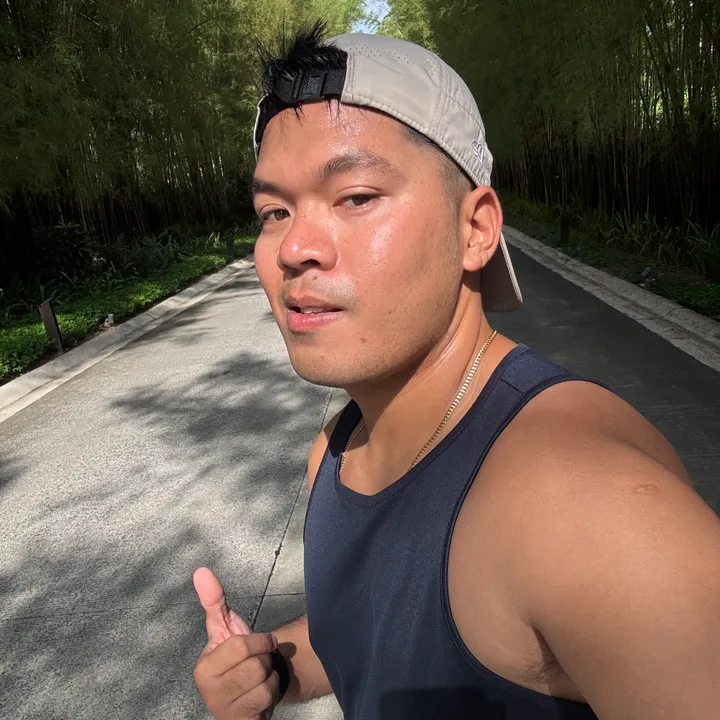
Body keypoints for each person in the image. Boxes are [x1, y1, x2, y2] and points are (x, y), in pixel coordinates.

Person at [192, 24, 720, 720]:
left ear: (475, 230)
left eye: (355, 197)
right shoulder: (338, 450)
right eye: (274, 211)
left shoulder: (585, 502)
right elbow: (373, 627)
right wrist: (275, 670)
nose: (294, 247)